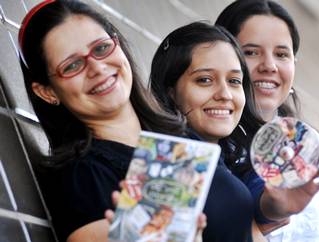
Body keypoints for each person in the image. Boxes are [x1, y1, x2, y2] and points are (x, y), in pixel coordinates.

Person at [17, 1, 205, 241]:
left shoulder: (179, 140)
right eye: (72, 65)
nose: (96, 67)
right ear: (47, 92)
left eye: (101, 48)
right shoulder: (83, 178)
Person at [148, 21, 319, 242]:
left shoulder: (228, 160)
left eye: (234, 81)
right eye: (205, 80)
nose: (225, 94)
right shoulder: (169, 159)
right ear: (171, 91)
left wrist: (276, 205)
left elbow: (257, 199)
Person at [216, 1, 319, 241]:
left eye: (282, 54)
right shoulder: (205, 143)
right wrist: (269, 211)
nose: (269, 66)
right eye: (251, 52)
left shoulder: (312, 148)